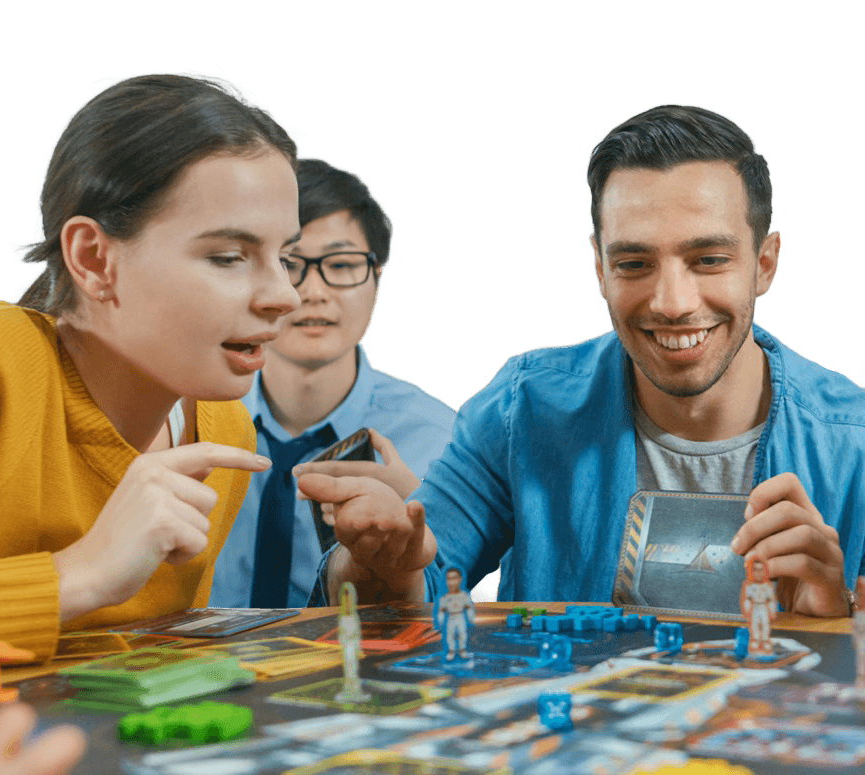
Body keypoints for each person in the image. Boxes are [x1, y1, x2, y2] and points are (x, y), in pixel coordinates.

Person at [297, 103, 865, 618]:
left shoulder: (854, 441)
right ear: (599, 268)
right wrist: (379, 565)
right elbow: (409, 577)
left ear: (765, 263)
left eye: (709, 259)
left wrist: (839, 620)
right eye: (635, 263)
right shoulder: (523, 406)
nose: (672, 303)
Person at [0, 69, 301, 675]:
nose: (285, 295)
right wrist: (78, 575)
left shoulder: (223, 430)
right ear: (93, 258)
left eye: (284, 256)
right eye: (229, 257)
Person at [208, 157, 455, 610]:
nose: (313, 291)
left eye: (341, 265)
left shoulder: (440, 441)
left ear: (378, 278)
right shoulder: (190, 419)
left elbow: (458, 602)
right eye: (289, 263)